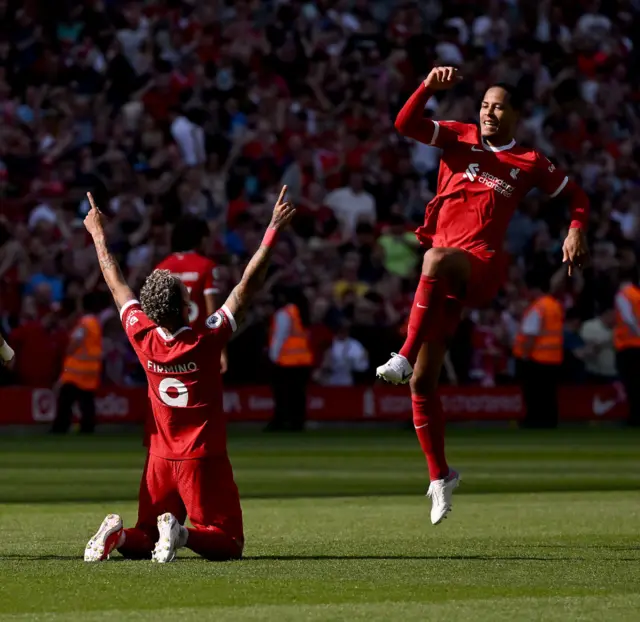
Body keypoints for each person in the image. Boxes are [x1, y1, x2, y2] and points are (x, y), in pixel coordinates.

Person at [376, 67, 590, 525]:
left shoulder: (531, 161)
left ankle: (403, 352)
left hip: (482, 266)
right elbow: (404, 125)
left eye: (499, 107)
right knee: (423, 384)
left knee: (433, 260)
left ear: (515, 114)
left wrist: (575, 230)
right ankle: (441, 477)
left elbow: (577, 197)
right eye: (485, 105)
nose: (490, 112)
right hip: (446, 277)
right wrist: (426, 88)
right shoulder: (458, 136)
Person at [83, 187, 294, 563]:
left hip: (159, 459)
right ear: (185, 306)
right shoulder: (207, 339)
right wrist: (273, 230)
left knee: (145, 536)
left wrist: (98, 235)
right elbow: (246, 287)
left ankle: (117, 536)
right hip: (201, 457)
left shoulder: (141, 333)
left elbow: (115, 282)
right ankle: (181, 534)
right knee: (230, 542)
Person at [155, 216, 227, 373]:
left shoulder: (161, 268)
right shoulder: (206, 266)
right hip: (198, 345)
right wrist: (221, 350)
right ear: (201, 239)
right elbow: (213, 313)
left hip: (168, 347)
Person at [513, 273, 566, 428]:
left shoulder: (538, 307)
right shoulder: (554, 305)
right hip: (554, 357)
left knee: (534, 394)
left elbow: (530, 334)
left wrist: (523, 355)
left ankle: (534, 421)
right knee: (549, 394)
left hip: (537, 358)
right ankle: (550, 421)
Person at [51, 293, 104, 435]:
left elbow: (74, 343)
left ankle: (60, 427)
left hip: (75, 371)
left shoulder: (84, 323)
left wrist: (68, 350)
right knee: (87, 402)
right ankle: (87, 428)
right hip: (91, 369)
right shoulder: (96, 323)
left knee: (65, 401)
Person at [267, 289, 314, 432]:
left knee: (282, 395)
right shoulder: (302, 313)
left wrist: (273, 357)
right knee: (298, 395)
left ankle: (280, 422)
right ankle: (297, 423)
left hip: (286, 362)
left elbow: (279, 338)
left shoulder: (286, 313)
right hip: (303, 361)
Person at [614, 271, 640, 427]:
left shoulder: (623, 295)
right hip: (634, 346)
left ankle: (635, 418)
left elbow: (628, 319)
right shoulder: (637, 295)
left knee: (632, 385)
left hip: (629, 346)